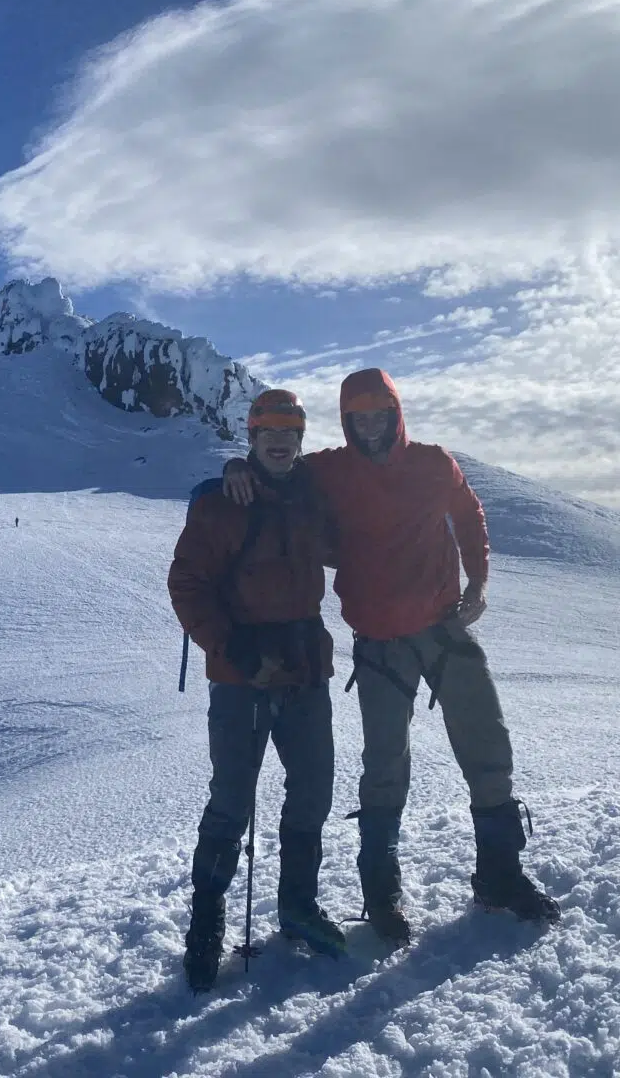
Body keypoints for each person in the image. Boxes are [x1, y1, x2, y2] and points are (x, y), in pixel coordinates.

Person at [222, 369, 560, 947]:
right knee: (384, 767)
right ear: (347, 421)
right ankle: (381, 894)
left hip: (443, 629)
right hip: (378, 641)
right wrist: (234, 467)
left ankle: (500, 875)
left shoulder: (433, 463)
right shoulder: (328, 470)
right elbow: (274, 470)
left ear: (396, 413)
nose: (371, 425)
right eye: (359, 417)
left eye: (380, 414)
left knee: (487, 747)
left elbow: (469, 515)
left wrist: (478, 583)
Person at [168, 389, 347, 992]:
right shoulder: (222, 504)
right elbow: (187, 584)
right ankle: (206, 925)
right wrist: (232, 648)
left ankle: (298, 905)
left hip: (305, 670)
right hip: (240, 676)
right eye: (267, 431)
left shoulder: (312, 496)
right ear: (250, 437)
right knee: (231, 800)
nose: (278, 441)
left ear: (300, 439)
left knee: (313, 789)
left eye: (288, 431)